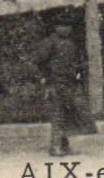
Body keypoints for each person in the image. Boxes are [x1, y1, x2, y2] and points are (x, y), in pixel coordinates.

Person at [34, 21, 95, 156]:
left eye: (68, 25)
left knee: (66, 114)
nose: (66, 28)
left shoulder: (70, 43)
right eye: (62, 25)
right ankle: (55, 147)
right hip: (54, 83)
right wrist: (45, 78)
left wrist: (77, 76)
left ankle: (64, 145)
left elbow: (75, 63)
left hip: (68, 83)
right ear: (56, 27)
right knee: (57, 114)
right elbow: (39, 61)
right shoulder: (50, 42)